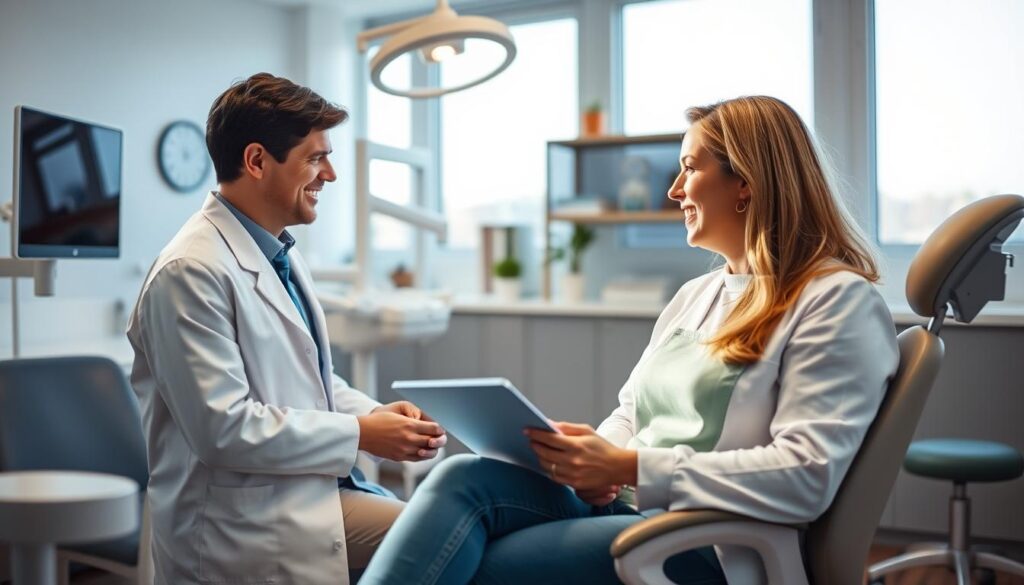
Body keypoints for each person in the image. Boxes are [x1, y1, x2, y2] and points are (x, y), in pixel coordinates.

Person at [358, 95, 899, 585]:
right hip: (627, 505)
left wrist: (627, 468)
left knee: (477, 562)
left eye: (690, 168)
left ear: (747, 182)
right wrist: (593, 459)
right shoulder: (697, 294)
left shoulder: (836, 300)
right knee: (462, 477)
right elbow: (630, 411)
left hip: (709, 541)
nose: (675, 189)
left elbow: (805, 476)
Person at [126, 72, 447, 585]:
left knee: (448, 523)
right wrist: (364, 433)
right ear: (256, 161)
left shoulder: (277, 253)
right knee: (448, 533)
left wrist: (375, 414)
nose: (331, 175)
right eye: (315, 158)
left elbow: (312, 384)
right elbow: (224, 429)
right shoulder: (190, 271)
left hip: (306, 492)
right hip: (244, 524)